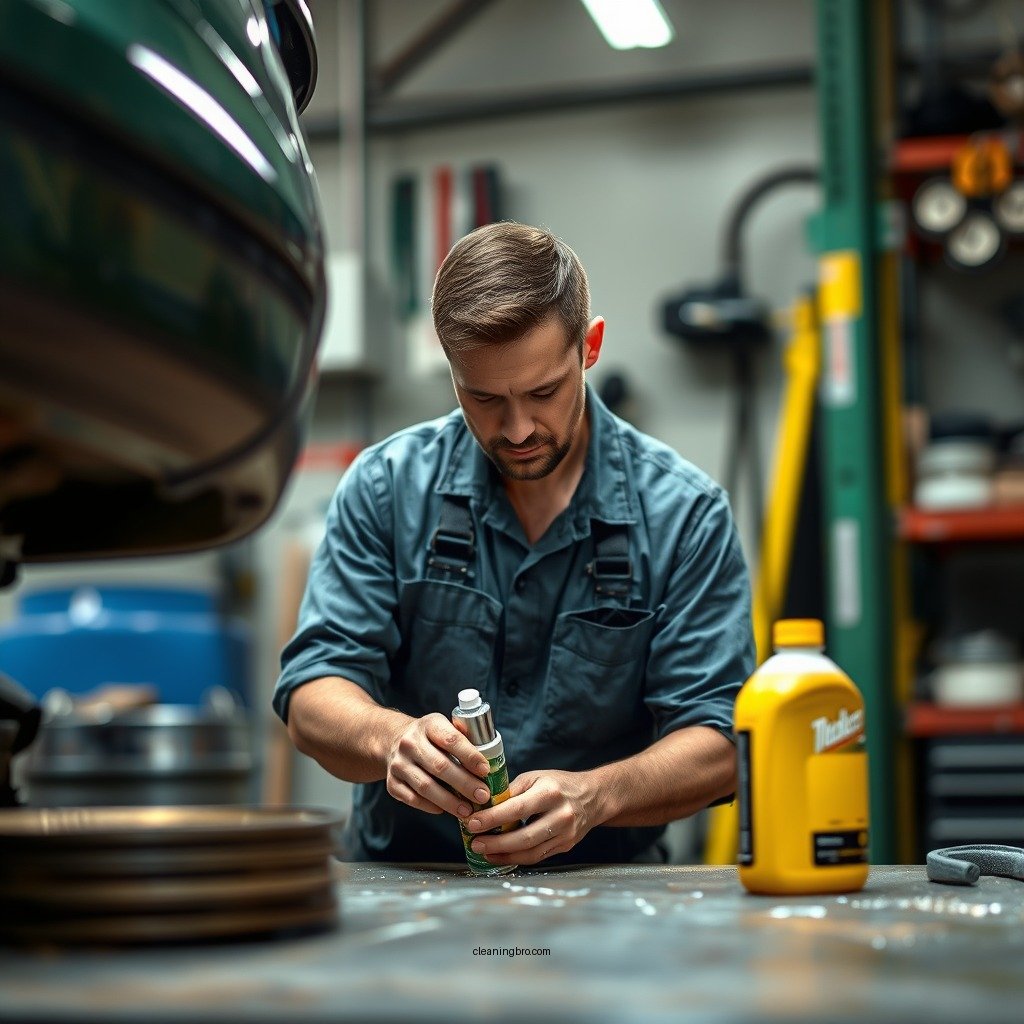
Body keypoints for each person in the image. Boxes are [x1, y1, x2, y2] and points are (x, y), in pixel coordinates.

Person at [275, 222, 755, 868]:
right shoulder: (387, 487)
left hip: (610, 902)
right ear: (451, 372)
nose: (519, 427)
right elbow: (314, 692)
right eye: (485, 398)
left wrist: (597, 797)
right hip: (413, 888)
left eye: (544, 392)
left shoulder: (683, 515)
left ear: (590, 348)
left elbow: (721, 740)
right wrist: (391, 738)